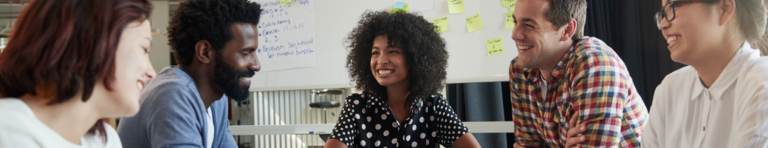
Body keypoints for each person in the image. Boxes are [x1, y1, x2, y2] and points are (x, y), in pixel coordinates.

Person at [0, 0, 155, 147]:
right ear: (95, 42)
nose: (151, 73)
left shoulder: (105, 140)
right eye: (144, 49)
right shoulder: (8, 130)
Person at [323, 11, 482, 148]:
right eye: (375, 53)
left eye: (392, 51)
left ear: (416, 58)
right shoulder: (357, 106)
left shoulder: (433, 106)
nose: (381, 60)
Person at [115, 0, 262, 147]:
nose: (256, 65)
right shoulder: (173, 94)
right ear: (205, 52)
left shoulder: (217, 99)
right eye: (245, 53)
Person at [509, 0, 649, 147]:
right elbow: (526, 144)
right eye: (515, 22)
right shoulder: (520, 70)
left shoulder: (595, 63)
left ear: (567, 30)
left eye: (529, 25)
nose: (514, 34)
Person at [641, 0, 768, 147]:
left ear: (724, 8)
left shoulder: (761, 84)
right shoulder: (668, 90)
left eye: (673, 7)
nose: (663, 24)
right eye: (663, 14)